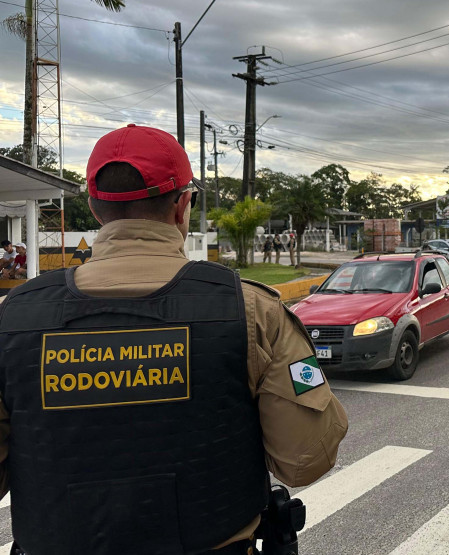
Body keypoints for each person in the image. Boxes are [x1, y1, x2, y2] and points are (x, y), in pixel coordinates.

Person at [0, 124, 349, 555]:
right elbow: (306, 458)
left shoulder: (13, 319)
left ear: (94, 209)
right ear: (183, 205)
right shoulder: (252, 311)